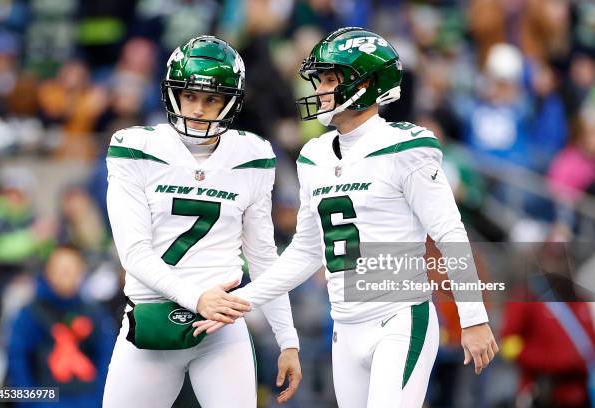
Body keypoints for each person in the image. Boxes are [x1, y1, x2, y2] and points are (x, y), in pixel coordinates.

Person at [194, 27, 499, 408]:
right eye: (318, 79)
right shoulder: (314, 156)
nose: (319, 89)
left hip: (400, 319)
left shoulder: (406, 147)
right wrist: (241, 300)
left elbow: (449, 231)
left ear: (367, 84)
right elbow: (306, 252)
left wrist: (473, 315)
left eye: (329, 79)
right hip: (344, 328)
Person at [102, 36, 301, 408]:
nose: (198, 108)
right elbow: (133, 253)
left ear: (231, 101)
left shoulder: (253, 155)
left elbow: (262, 256)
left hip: (221, 330)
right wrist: (198, 298)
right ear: (172, 93)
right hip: (151, 321)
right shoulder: (135, 147)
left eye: (212, 99)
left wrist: (287, 338)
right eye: (191, 95)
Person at [7, 245, 116, 408]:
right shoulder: (29, 314)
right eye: (60, 268)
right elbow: (18, 360)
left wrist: (102, 398)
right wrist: (29, 403)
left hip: (89, 397)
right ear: (47, 272)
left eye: (72, 268)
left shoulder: (95, 313)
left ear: (81, 272)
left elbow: (107, 357)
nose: (66, 274)